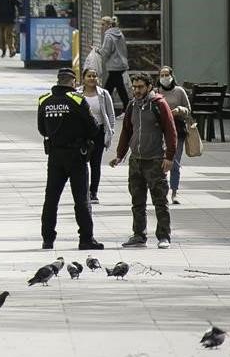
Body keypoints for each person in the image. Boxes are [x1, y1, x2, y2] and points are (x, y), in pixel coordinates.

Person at [37, 68, 104, 250]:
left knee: (51, 198)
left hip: (55, 156)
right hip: (76, 155)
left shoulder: (44, 101)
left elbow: (42, 129)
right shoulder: (77, 100)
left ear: (58, 81)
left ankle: (48, 239)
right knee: (81, 200)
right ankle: (86, 239)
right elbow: (93, 128)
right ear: (72, 82)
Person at [110, 73, 178, 249]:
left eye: (140, 87)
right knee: (137, 201)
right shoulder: (132, 105)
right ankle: (139, 235)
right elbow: (126, 131)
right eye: (134, 87)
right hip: (136, 161)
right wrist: (120, 155)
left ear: (149, 86)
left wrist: (169, 157)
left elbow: (171, 131)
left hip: (155, 160)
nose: (137, 90)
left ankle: (164, 236)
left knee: (160, 201)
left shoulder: (159, 105)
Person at [79, 67, 116, 205]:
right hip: (82, 133)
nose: (92, 78)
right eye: (89, 76)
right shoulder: (77, 94)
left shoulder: (104, 94)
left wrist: (110, 130)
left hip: (98, 132)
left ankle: (93, 192)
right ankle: (82, 191)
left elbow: (111, 114)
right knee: (81, 164)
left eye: (94, 76)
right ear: (83, 78)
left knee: (95, 164)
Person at [156, 66, 192, 205]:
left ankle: (174, 192)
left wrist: (179, 110)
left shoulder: (179, 91)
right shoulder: (155, 92)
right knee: (160, 163)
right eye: (162, 75)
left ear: (172, 76)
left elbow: (188, 110)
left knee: (175, 163)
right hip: (160, 131)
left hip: (178, 130)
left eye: (167, 74)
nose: (165, 77)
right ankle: (161, 192)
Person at [96, 16, 130, 112]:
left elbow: (106, 52)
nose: (101, 27)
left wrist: (97, 50)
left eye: (103, 24)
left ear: (109, 25)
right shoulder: (119, 34)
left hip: (114, 65)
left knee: (112, 87)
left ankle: (125, 107)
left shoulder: (108, 35)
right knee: (115, 87)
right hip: (121, 64)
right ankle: (124, 106)